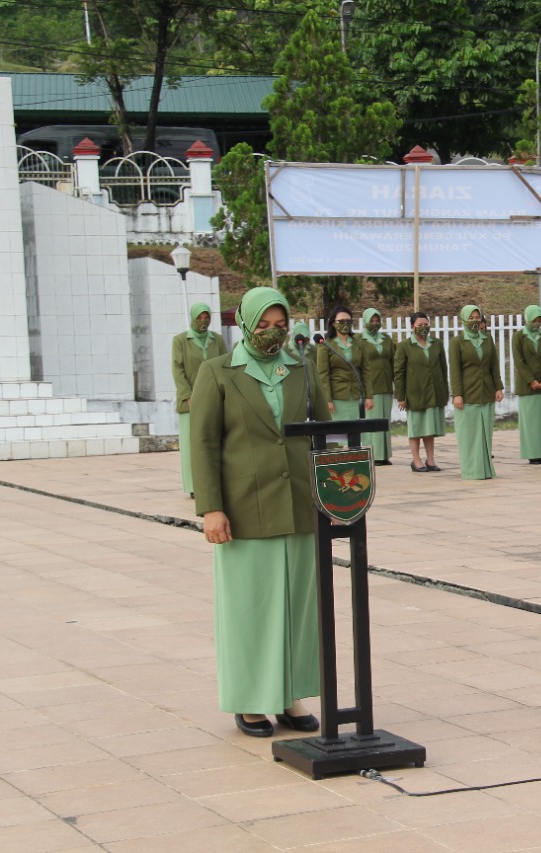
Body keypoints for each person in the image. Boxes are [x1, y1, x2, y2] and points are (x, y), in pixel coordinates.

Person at [190, 286, 327, 738]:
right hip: (244, 511)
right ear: (246, 324)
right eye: (264, 326)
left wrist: (332, 497)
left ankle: (290, 695)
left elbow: (324, 434)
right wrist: (211, 508)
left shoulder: (302, 371)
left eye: (280, 325)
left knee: (297, 608)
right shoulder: (218, 373)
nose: (273, 334)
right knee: (251, 608)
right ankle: (251, 699)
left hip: (298, 508)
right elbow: (205, 444)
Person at [172, 302, 226, 498]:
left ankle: (216, 482)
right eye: (199, 317)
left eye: (206, 317)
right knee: (191, 444)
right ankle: (194, 485)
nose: (203, 321)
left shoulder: (217, 340)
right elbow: (178, 370)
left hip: (213, 399)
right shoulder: (180, 341)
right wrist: (187, 395)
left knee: (215, 441)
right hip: (190, 402)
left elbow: (225, 366)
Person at [449, 305, 504, 479]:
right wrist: (457, 394)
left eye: (477, 317)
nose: (474, 320)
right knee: (469, 435)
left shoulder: (487, 339)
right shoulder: (457, 342)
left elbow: (494, 366)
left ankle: (485, 470)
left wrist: (498, 387)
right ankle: (471, 470)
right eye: (471, 317)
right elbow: (455, 371)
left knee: (485, 434)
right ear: (464, 320)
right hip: (467, 394)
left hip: (486, 392)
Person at [393, 311, 447, 472]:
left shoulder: (436, 344)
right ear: (412, 327)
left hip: (433, 392)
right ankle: (416, 461)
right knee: (416, 429)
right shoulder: (404, 346)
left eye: (426, 324)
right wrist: (401, 396)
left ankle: (431, 460)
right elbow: (398, 373)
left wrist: (445, 391)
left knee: (429, 428)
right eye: (419, 325)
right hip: (414, 393)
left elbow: (443, 369)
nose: (423, 328)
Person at [512, 305, 541, 464]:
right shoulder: (518, 337)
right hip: (527, 386)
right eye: (534, 320)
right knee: (530, 421)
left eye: (539, 320)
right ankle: (532, 453)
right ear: (527, 319)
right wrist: (531, 380)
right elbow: (519, 361)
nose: (537, 323)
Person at [353, 308, 395, 466]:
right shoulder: (358, 340)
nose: (375, 323)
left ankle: (384, 455)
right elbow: (356, 364)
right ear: (365, 321)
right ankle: (372, 454)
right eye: (372, 320)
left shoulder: (386, 339)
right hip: (369, 387)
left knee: (385, 421)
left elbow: (393, 361)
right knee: (371, 422)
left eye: (377, 320)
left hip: (385, 386)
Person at [317, 304, 363, 426]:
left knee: (356, 434)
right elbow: (323, 375)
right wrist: (327, 399)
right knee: (340, 434)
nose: (345, 324)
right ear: (333, 323)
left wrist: (368, 395)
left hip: (355, 395)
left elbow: (366, 370)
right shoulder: (326, 345)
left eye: (348, 321)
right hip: (337, 397)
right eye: (341, 321)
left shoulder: (358, 343)